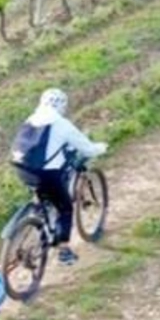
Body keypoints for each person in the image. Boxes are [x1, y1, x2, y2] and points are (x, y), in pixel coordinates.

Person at [9, 88, 107, 265]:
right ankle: (64, 251)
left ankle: (36, 212)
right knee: (65, 208)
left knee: (43, 192)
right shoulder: (61, 124)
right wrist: (100, 148)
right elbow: (86, 148)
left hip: (21, 169)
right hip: (46, 175)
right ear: (62, 106)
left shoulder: (31, 119)